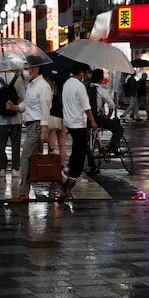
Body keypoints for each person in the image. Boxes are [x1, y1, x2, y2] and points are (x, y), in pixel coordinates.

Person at [6, 62, 53, 204]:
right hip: (31, 126)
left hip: (38, 126)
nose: (25, 71)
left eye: (28, 68)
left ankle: (23, 193)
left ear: (36, 69)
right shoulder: (32, 85)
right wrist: (15, 107)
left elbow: (45, 109)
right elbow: (27, 104)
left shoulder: (43, 86)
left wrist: (44, 129)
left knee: (25, 158)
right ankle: (64, 181)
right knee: (32, 160)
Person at [59, 62, 99, 200]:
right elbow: (86, 106)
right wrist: (93, 121)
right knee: (80, 153)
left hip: (69, 122)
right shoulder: (80, 86)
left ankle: (70, 171)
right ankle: (71, 179)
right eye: (86, 73)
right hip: (78, 123)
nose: (87, 76)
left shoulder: (67, 84)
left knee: (77, 148)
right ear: (82, 73)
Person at [0, 70, 25, 178]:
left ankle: (2, 169)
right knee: (15, 144)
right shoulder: (18, 78)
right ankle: (15, 168)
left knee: (1, 145)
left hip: (0, 119)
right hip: (16, 118)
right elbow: (23, 97)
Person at [87, 68, 124, 172]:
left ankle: (92, 166)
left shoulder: (85, 89)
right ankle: (113, 146)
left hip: (87, 119)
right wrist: (108, 115)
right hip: (99, 119)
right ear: (101, 79)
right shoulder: (102, 91)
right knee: (118, 129)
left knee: (87, 143)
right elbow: (112, 105)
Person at [47, 78, 67, 171]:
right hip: (63, 118)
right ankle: (61, 165)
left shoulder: (51, 90)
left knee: (51, 143)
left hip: (53, 117)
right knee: (62, 143)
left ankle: (52, 162)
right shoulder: (65, 92)